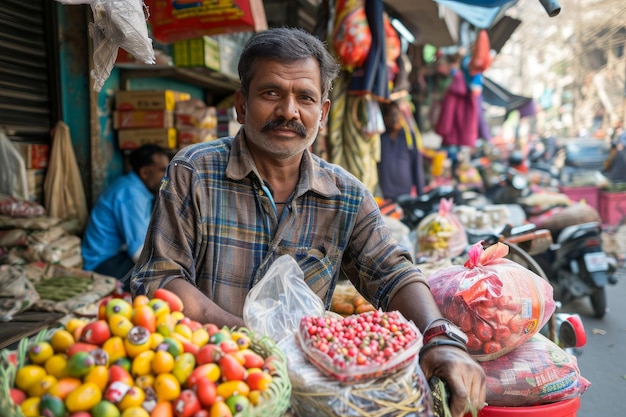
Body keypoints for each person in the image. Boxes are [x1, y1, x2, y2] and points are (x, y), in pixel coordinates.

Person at [130, 27, 485, 416]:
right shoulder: (194, 172)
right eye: (271, 93)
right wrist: (251, 341)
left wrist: (441, 339)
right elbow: (160, 278)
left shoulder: (346, 195)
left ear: (324, 112)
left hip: (306, 395)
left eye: (305, 97)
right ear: (241, 105)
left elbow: (393, 273)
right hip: (210, 385)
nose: (289, 111)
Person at [82, 144, 169, 288]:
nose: (167, 175)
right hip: (103, 263)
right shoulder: (131, 194)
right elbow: (138, 253)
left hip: (118, 255)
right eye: (162, 170)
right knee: (160, 282)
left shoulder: (137, 190)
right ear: (145, 172)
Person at [377, 100, 425, 200]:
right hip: (385, 193)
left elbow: (416, 163)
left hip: (405, 192)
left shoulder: (409, 136)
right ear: (384, 118)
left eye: (396, 115)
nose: (394, 119)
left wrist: (421, 193)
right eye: (390, 115)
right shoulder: (379, 138)